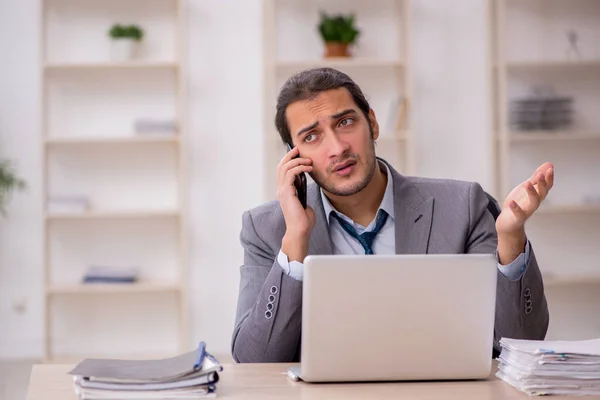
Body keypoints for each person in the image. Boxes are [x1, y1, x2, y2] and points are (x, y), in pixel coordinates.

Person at [231, 67, 552, 363]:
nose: (337, 147)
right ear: (294, 155)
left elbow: (520, 342)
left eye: (345, 122)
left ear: (372, 122)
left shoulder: (464, 206)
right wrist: (295, 243)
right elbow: (253, 360)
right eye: (311, 136)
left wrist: (510, 239)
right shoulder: (266, 229)